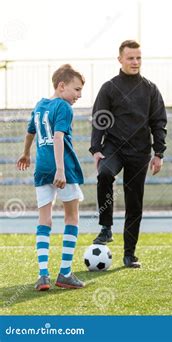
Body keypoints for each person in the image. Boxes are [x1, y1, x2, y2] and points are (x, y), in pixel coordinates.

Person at [89, 40, 167, 268]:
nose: (135, 62)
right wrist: (96, 149)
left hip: (140, 152)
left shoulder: (150, 89)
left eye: (138, 58)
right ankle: (106, 227)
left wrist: (158, 152)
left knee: (134, 203)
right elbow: (99, 118)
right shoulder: (109, 87)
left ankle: (129, 254)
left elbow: (158, 122)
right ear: (120, 60)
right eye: (130, 58)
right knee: (104, 175)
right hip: (113, 148)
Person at [17, 64, 86, 290]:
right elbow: (58, 137)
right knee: (71, 218)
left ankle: (43, 275)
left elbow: (30, 132)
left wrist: (26, 153)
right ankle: (64, 273)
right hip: (62, 167)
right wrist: (61, 169)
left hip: (41, 168)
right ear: (61, 85)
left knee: (44, 221)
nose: (79, 95)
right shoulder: (64, 107)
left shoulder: (40, 105)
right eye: (76, 90)